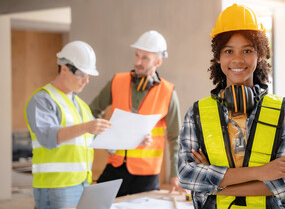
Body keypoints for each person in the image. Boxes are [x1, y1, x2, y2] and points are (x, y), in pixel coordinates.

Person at [178, 4, 285, 209]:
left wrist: (213, 184)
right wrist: (260, 173)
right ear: (218, 57)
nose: (237, 59)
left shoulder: (284, 112)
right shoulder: (197, 113)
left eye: (247, 50)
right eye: (229, 51)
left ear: (259, 55)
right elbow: (187, 176)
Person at [90, 30, 184, 197]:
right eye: (137, 55)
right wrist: (104, 138)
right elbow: (91, 113)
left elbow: (175, 136)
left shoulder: (168, 92)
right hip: (115, 167)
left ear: (158, 61)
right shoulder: (117, 81)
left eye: (145, 58)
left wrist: (175, 173)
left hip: (146, 175)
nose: (138, 62)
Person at [25, 41, 112, 209]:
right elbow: (48, 137)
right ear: (64, 69)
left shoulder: (82, 106)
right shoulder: (42, 100)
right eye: (82, 74)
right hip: (56, 186)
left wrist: (131, 138)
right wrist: (87, 127)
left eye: (89, 76)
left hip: (82, 183)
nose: (86, 80)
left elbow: (93, 139)